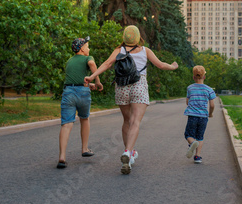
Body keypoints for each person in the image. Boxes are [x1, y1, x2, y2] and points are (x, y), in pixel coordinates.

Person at [84, 25, 178, 174]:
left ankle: (129, 152)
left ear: (124, 37)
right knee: (135, 122)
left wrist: (92, 77)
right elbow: (160, 65)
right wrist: (173, 66)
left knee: (127, 121)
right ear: (138, 37)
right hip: (139, 85)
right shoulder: (145, 51)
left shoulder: (118, 50)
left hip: (122, 87)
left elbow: (107, 64)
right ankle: (128, 152)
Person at [57, 36, 103, 169]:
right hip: (82, 93)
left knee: (66, 124)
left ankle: (62, 157)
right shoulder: (88, 58)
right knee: (84, 118)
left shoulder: (69, 61)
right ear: (82, 49)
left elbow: (75, 79)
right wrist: (98, 81)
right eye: (87, 46)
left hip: (68, 92)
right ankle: (84, 148)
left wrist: (89, 84)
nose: (89, 48)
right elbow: (92, 65)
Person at [184, 65, 216, 164]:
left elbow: (187, 102)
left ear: (193, 77)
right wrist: (210, 113)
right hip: (203, 117)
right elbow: (212, 105)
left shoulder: (190, 88)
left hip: (192, 116)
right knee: (200, 136)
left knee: (188, 134)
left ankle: (192, 143)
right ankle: (197, 157)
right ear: (204, 77)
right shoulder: (209, 89)